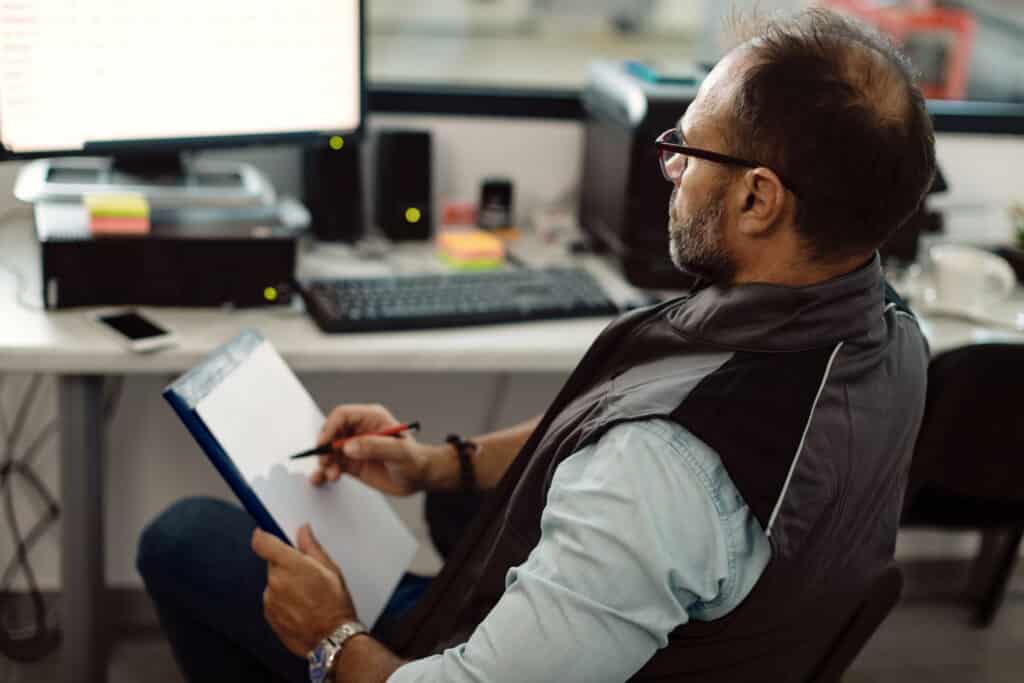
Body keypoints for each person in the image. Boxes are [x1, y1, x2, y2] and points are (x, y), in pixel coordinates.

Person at [137, 8, 936, 682]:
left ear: (758, 199)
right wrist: (442, 462)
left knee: (180, 541)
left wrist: (333, 633)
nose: (670, 168)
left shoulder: (659, 469)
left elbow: (658, 459)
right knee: (455, 506)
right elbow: (636, 425)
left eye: (686, 149)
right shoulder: (888, 334)